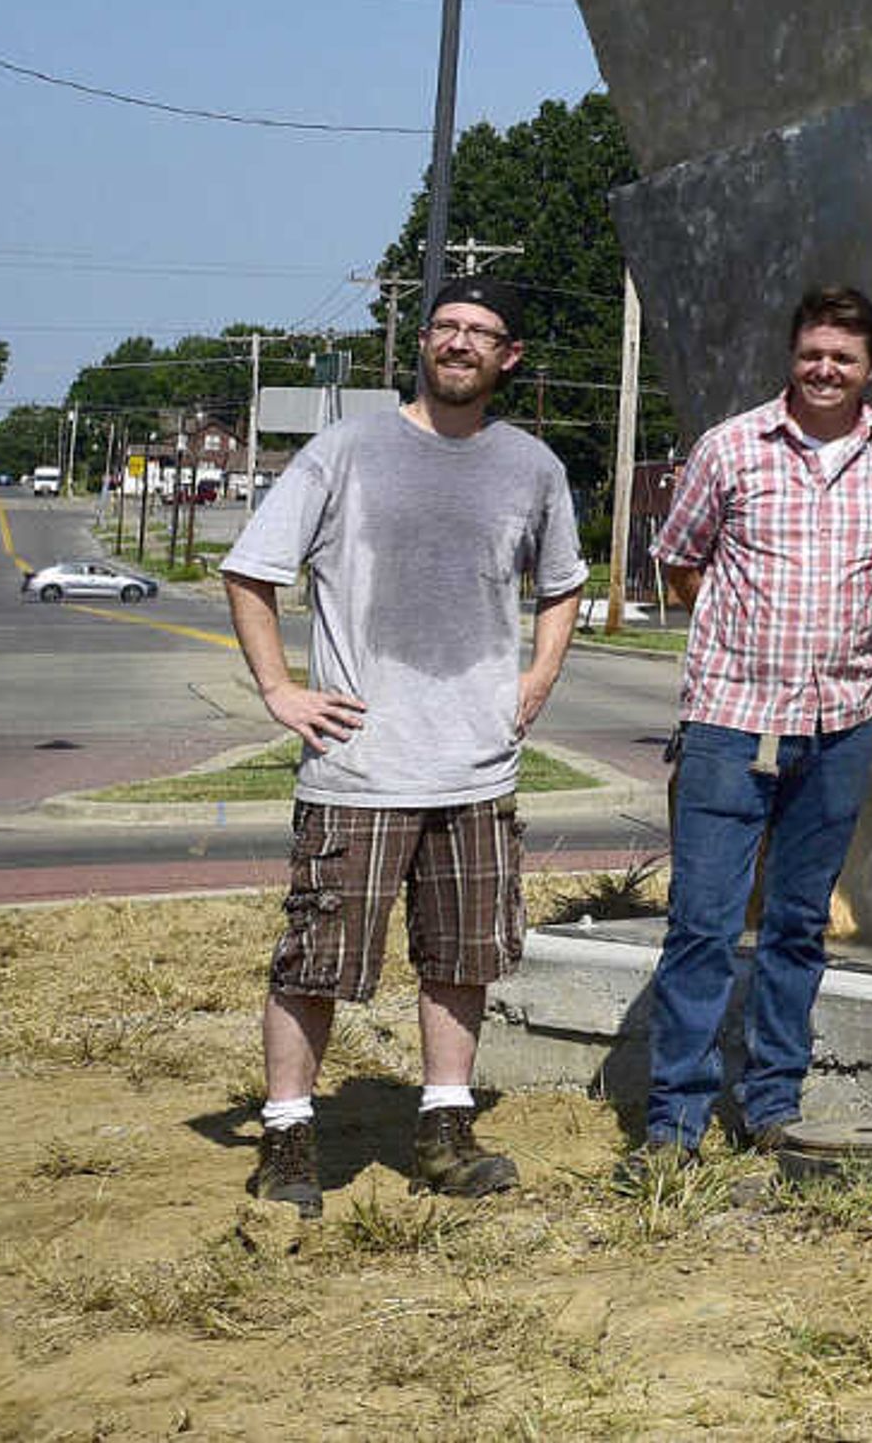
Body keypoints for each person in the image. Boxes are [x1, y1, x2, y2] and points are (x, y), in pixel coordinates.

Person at [226, 276, 585, 1213]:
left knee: (463, 956)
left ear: (508, 358)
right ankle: (289, 1138)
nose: (459, 343)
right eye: (446, 327)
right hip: (360, 764)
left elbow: (563, 585)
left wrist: (538, 677)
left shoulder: (534, 468)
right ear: (422, 344)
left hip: (476, 765)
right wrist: (279, 690)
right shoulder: (346, 450)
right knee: (318, 963)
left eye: (481, 332)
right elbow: (251, 569)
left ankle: (444, 1127)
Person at [635, 285, 872, 1164]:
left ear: (870, 367)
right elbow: (681, 563)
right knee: (701, 921)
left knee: (799, 922)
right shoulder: (731, 448)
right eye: (812, 352)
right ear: (791, 357)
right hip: (732, 719)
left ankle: (771, 1102)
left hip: (840, 725)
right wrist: (748, 646)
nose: (825, 369)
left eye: (843, 356)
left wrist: (825, 653)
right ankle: (676, 1120)